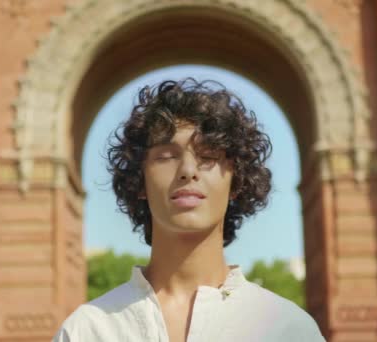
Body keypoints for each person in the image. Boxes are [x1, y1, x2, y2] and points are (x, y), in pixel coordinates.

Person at [52, 78, 325, 341]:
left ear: (237, 181)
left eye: (208, 156)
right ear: (139, 182)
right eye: (167, 156)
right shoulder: (88, 330)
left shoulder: (289, 330)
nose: (187, 171)